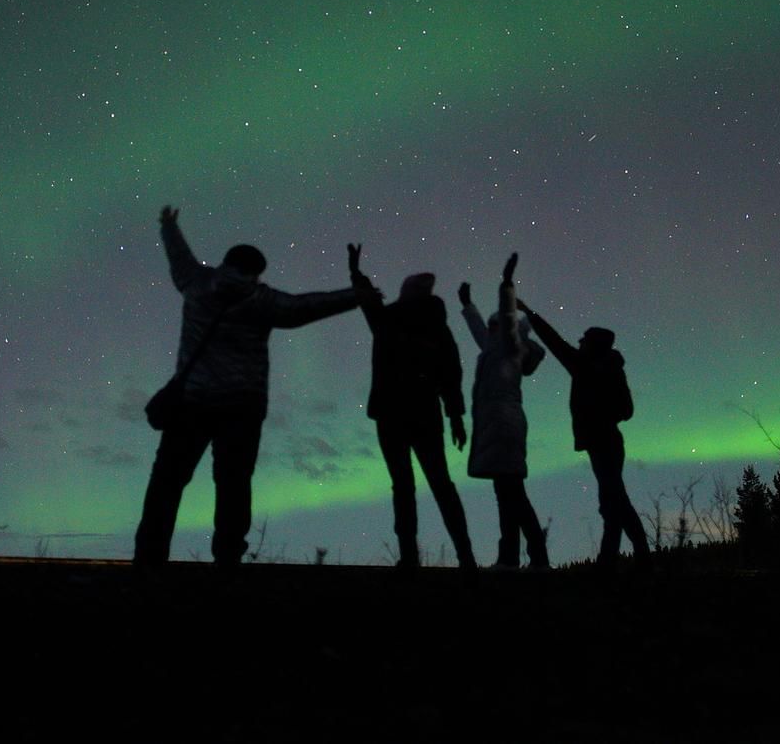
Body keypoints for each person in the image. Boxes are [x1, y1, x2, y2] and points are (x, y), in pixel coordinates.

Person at [134, 205, 361, 567]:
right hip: (242, 406)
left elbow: (179, 255)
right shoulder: (263, 301)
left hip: (191, 401)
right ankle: (227, 559)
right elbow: (305, 307)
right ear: (257, 272)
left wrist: (168, 225)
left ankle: (148, 559)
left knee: (167, 482)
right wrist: (355, 296)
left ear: (226, 262)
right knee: (234, 484)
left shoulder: (196, 283)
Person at [347, 243, 476, 570]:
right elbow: (451, 374)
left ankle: (410, 557)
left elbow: (369, 304)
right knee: (440, 483)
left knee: (404, 485)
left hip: (391, 412)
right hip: (423, 411)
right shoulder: (436, 325)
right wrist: (456, 415)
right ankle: (464, 556)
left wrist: (356, 272)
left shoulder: (388, 320)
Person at [515, 297, 651, 567]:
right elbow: (627, 410)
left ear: (592, 345)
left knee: (614, 499)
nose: (579, 344)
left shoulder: (584, 366)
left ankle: (630, 556)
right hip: (609, 440)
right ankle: (615, 558)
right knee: (612, 499)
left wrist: (529, 313)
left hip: (601, 441)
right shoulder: (612, 369)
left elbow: (553, 341)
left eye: (584, 341)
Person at [458, 253, 549, 570]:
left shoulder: (510, 347)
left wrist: (507, 284)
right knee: (508, 494)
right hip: (498, 427)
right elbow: (480, 333)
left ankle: (533, 556)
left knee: (513, 495)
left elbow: (508, 321)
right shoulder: (496, 349)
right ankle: (512, 556)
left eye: (497, 324)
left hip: (504, 427)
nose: (492, 328)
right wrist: (468, 306)